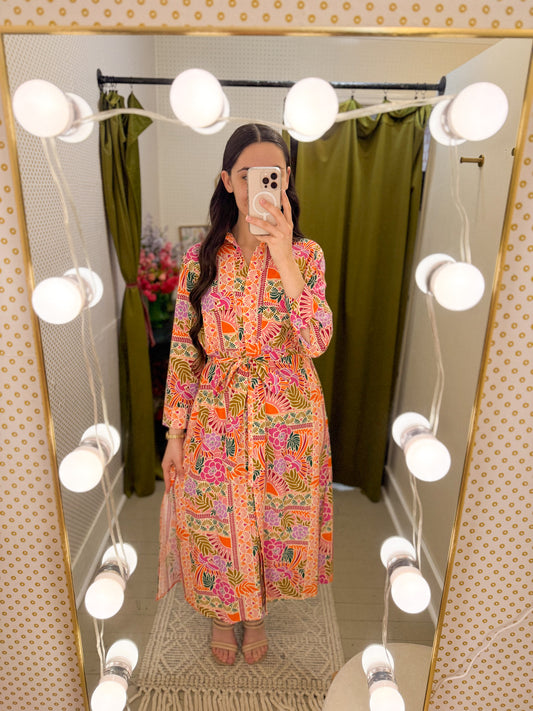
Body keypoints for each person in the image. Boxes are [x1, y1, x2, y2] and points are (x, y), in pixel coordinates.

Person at [159, 123, 333, 667]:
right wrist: (175, 432)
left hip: (289, 412)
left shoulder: (307, 255)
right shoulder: (200, 259)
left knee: (272, 518)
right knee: (215, 515)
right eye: (246, 174)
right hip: (219, 410)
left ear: (286, 179)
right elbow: (185, 349)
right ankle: (222, 610)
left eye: (271, 174)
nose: (259, 184)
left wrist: (284, 257)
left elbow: (317, 340)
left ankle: (256, 615)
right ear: (228, 181)